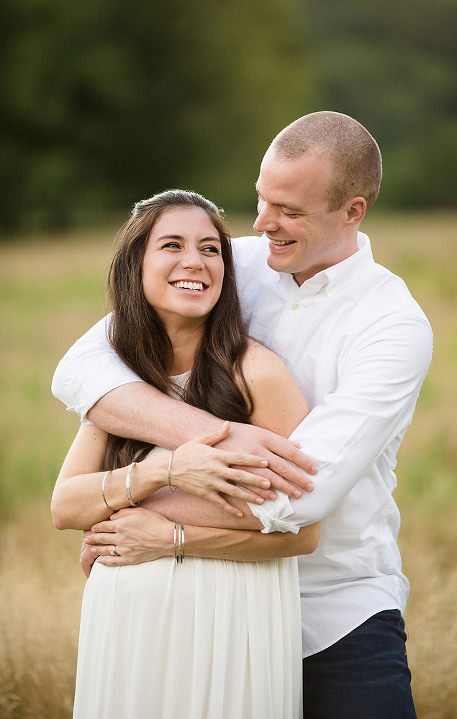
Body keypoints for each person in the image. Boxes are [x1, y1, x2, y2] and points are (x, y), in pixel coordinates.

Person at [52, 112, 433, 718]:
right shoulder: (234, 266)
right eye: (261, 201)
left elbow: (297, 498)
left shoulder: (392, 328)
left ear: (352, 211)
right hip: (202, 605)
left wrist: (148, 523)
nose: (261, 225)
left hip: (335, 611)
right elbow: (83, 369)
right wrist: (202, 450)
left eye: (289, 210)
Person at [51, 189, 321, 719]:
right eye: (171, 245)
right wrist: (165, 470)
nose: (194, 262)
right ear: (136, 267)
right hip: (127, 629)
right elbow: (65, 506)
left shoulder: (258, 374)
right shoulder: (121, 381)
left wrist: (171, 539)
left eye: (211, 248)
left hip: (228, 622)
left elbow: (304, 531)